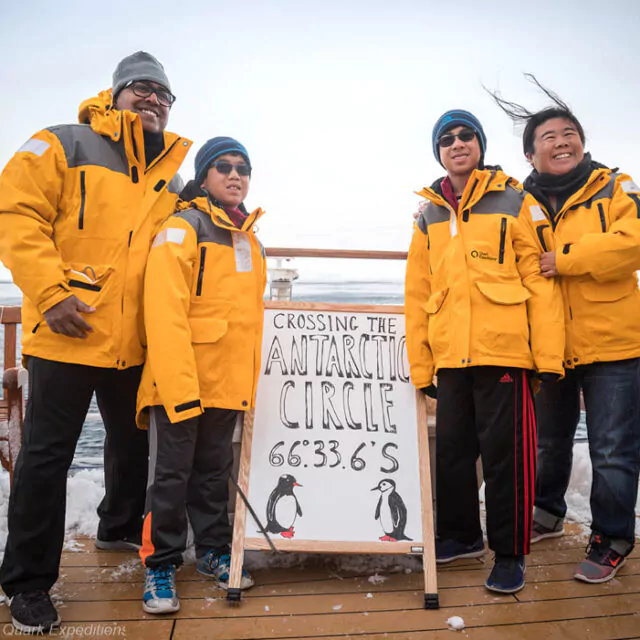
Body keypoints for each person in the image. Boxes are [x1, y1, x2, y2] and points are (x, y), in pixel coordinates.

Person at [0, 52, 191, 633]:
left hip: (133, 342)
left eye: (164, 93)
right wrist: (52, 294)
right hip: (66, 332)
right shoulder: (61, 143)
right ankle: (28, 583)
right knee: (45, 458)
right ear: (115, 95)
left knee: (133, 451)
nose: (154, 99)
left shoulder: (173, 175)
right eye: (142, 88)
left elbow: (194, 236)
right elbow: (14, 212)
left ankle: (115, 530)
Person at [405, 109, 565, 594]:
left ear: (480, 145)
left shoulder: (517, 200)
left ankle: (510, 553)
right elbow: (417, 291)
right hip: (452, 356)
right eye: (447, 138)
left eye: (466, 136)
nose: (458, 143)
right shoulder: (428, 213)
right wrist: (422, 361)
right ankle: (459, 537)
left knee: (506, 459)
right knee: (452, 454)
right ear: (438, 150)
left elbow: (539, 280)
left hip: (505, 353)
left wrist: (548, 354)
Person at [491, 76, 640, 584]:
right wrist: (432, 215)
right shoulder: (518, 202)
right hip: (548, 345)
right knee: (548, 442)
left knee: (613, 447)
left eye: (569, 132)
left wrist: (567, 259)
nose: (561, 141)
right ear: (531, 155)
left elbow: (633, 242)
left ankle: (613, 535)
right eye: (548, 136)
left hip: (614, 342)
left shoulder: (616, 187)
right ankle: (547, 513)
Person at [136, 137, 266, 614]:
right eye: (224, 167)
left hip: (227, 382)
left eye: (243, 168)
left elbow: (249, 319)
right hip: (181, 380)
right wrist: (177, 385)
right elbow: (164, 310)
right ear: (205, 176)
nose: (235, 176)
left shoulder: (250, 237)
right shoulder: (182, 226)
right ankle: (160, 565)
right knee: (170, 476)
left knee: (215, 472)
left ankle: (212, 549)